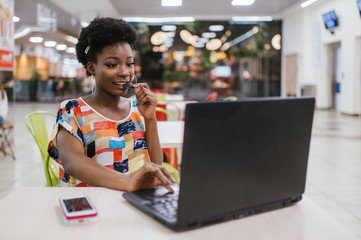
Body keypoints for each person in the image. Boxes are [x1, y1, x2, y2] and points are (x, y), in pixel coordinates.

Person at [48, 17, 174, 192]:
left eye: (129, 63)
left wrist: (150, 119)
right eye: (112, 64)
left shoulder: (137, 108)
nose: (125, 72)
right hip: (91, 203)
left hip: (135, 201)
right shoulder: (72, 110)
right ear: (92, 68)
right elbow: (72, 162)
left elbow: (156, 164)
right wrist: (128, 182)